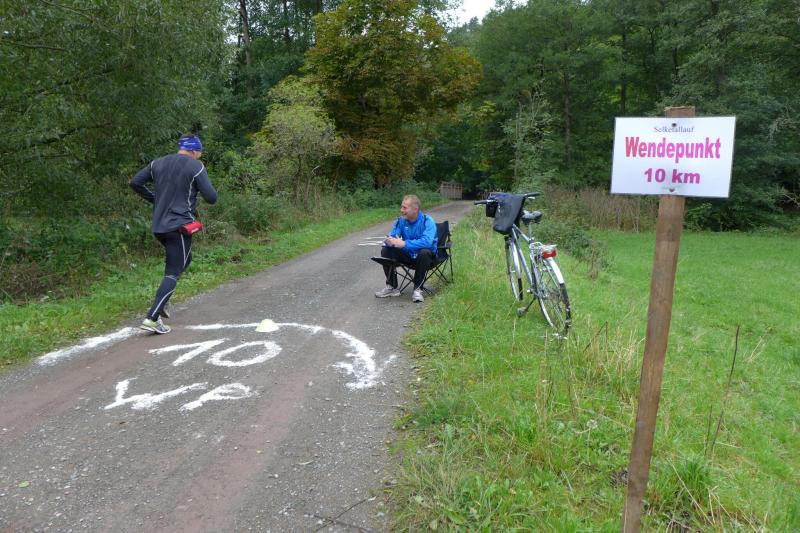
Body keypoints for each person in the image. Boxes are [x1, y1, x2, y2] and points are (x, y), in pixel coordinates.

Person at [130, 133, 217, 334]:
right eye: (199, 152)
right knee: (173, 271)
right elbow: (211, 197)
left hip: (159, 226)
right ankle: (152, 318)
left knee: (185, 260)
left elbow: (135, 182)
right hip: (179, 226)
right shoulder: (196, 166)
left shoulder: (157, 163)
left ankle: (162, 301)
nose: (199, 156)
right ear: (194, 150)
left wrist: (155, 199)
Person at [374, 194, 437, 303]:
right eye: (401, 207)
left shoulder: (427, 221)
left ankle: (418, 290)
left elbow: (427, 242)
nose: (401, 210)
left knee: (424, 252)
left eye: (404, 208)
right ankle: (392, 287)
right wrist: (390, 241)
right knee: (386, 250)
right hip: (409, 255)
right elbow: (393, 236)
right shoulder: (401, 221)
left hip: (427, 258)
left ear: (415, 209)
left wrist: (404, 244)